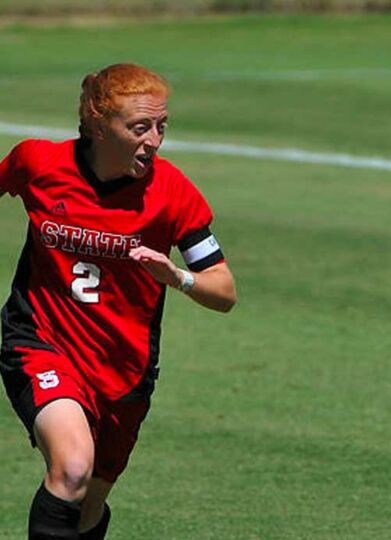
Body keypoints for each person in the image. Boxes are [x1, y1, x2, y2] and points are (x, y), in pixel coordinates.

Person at [0, 63, 237, 540]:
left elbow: (224, 290)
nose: (154, 140)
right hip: (40, 343)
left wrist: (178, 278)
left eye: (161, 126)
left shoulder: (172, 193)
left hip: (124, 371)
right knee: (71, 468)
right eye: (139, 127)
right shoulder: (39, 164)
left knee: (87, 508)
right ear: (98, 120)